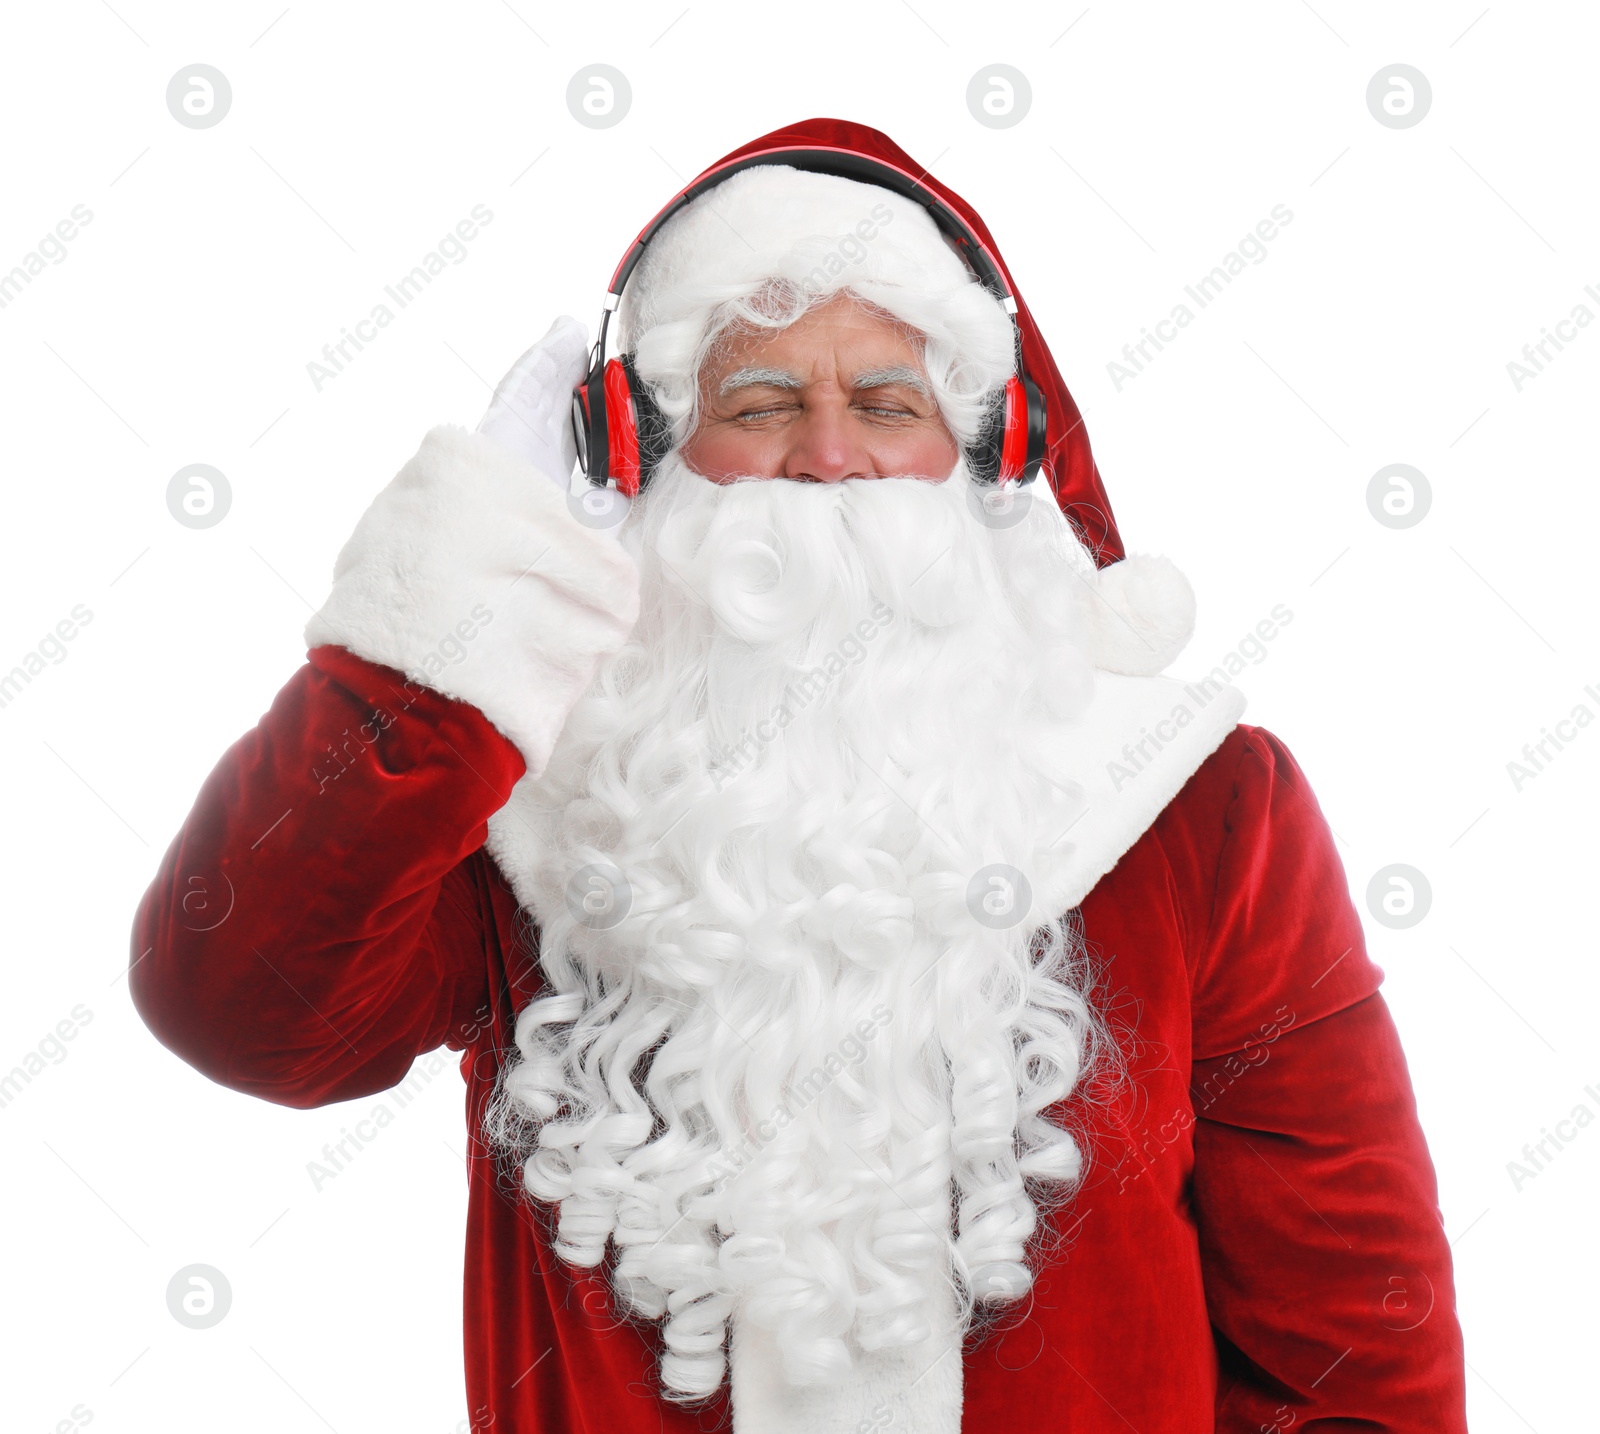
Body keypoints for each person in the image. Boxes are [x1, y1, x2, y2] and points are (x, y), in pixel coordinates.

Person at [130, 117, 1468, 1433]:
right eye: (758, 403)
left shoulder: (1199, 807)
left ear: (988, 461)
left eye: (889, 403)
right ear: (641, 460)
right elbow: (237, 1001)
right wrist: (456, 613)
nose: (829, 458)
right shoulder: (517, 810)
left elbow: (1357, 1351)